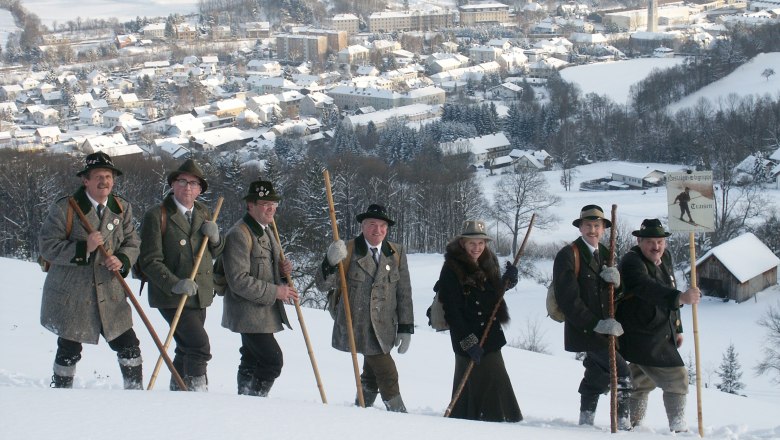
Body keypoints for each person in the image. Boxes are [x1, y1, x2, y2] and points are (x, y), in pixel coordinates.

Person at [39, 152, 142, 389]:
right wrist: (84, 247)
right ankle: (61, 392)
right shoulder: (66, 208)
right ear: (85, 180)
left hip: (110, 292)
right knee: (69, 347)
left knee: (129, 345)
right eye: (97, 176)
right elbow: (47, 246)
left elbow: (132, 241)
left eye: (108, 176)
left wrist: (122, 260)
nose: (104, 181)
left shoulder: (122, 207)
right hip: (74, 292)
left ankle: (136, 394)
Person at [315, 203, 413, 412]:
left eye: (382, 225)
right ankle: (399, 415)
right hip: (357, 326)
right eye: (371, 225)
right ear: (362, 226)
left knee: (371, 373)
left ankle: (361, 408)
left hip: (385, 328)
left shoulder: (396, 252)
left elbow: (404, 292)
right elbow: (323, 285)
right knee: (387, 373)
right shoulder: (348, 250)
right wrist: (329, 262)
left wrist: (405, 327)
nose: (377, 230)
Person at [139, 159, 224, 392]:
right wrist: (175, 284)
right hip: (171, 295)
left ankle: (177, 394)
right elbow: (149, 260)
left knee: (186, 347)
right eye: (182, 181)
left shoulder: (204, 212)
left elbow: (215, 251)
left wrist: (216, 238)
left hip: (199, 294)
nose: (188, 187)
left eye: (194, 183)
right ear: (172, 185)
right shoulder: (157, 216)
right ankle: (196, 394)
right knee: (199, 347)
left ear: (200, 190)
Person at [617, 218, 701, 432]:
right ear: (639, 241)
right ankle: (679, 426)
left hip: (660, 330)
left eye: (660, 242)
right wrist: (680, 297)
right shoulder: (631, 262)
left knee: (640, 379)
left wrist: (677, 327)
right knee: (677, 376)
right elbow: (648, 288)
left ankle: (633, 424)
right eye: (650, 242)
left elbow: (668, 285)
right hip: (641, 333)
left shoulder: (666, 257)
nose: (656, 247)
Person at [552, 204, 631, 429]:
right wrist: (596, 325)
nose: (593, 230)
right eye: (588, 225)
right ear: (580, 228)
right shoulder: (568, 255)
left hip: (608, 328)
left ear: (604, 229)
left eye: (597, 226)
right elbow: (569, 300)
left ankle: (585, 423)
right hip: (586, 330)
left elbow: (616, 295)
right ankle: (624, 426)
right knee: (623, 373)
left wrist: (618, 283)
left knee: (597, 374)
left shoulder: (606, 254)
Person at [435, 219, 522, 422]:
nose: (477, 248)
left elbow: (491, 295)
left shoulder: (488, 262)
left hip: (490, 333)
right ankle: (466, 422)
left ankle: (499, 419)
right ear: (462, 243)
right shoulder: (451, 269)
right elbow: (452, 311)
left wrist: (507, 282)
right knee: (467, 384)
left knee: (497, 377)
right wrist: (468, 342)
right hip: (467, 334)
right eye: (472, 243)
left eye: (481, 243)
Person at [221, 179, 297, 397]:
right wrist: (277, 291)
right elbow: (239, 280)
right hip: (248, 313)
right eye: (264, 203)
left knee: (251, 358)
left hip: (261, 314)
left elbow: (262, 268)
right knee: (272, 361)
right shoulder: (239, 234)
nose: (270, 207)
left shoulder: (266, 230)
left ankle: (245, 398)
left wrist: (282, 272)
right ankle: (254, 401)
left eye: (273, 203)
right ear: (250, 205)